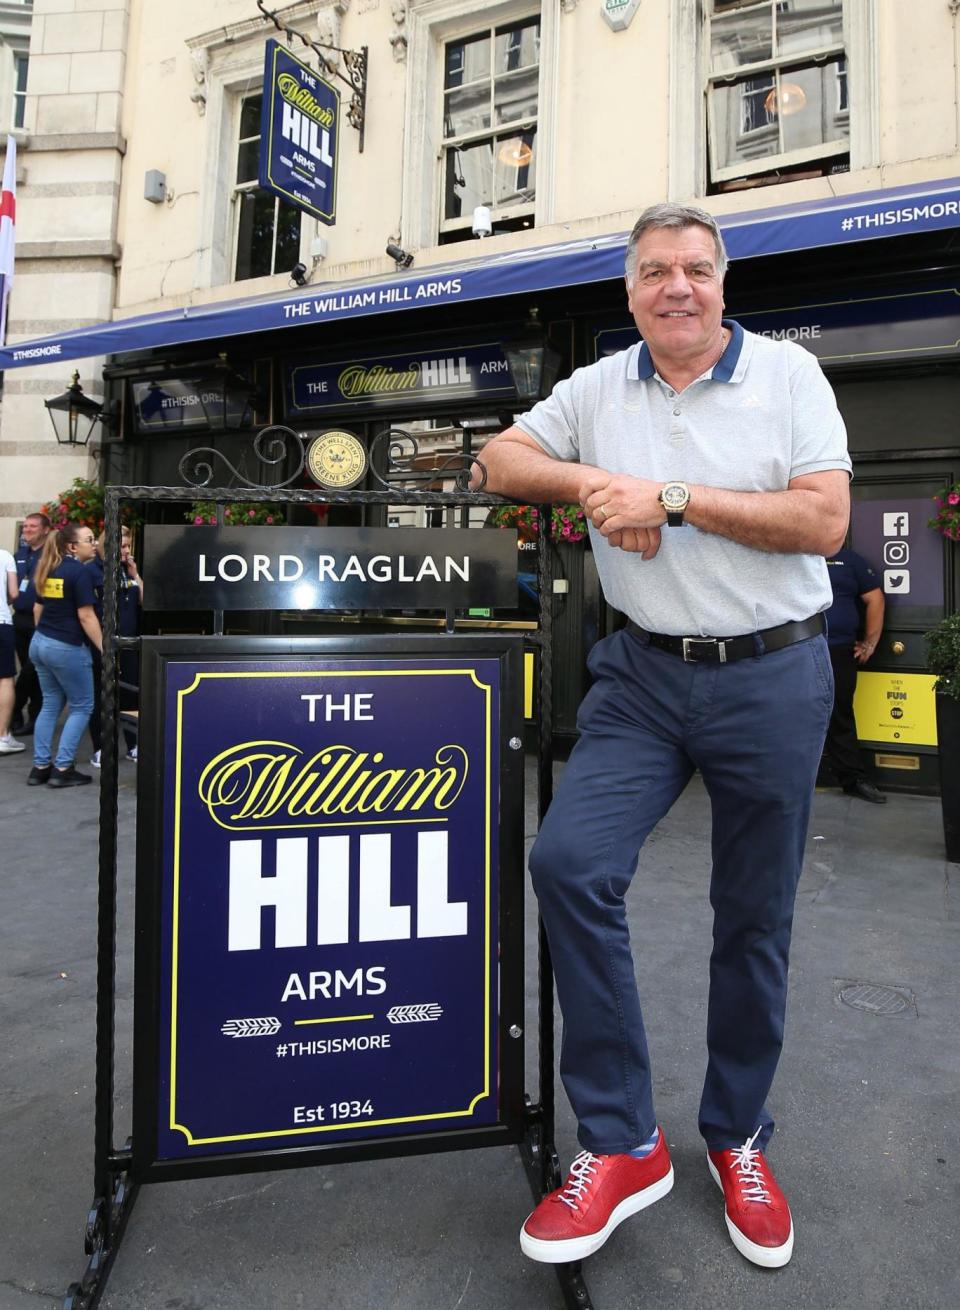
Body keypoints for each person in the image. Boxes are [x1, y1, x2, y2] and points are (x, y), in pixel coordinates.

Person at [476, 203, 850, 1270]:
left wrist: (672, 497)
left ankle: (736, 1134)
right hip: (643, 673)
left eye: (694, 268)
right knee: (570, 860)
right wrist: (600, 486)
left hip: (773, 672)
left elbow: (824, 520)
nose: (675, 286)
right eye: (653, 271)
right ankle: (626, 1139)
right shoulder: (600, 385)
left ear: (724, 280)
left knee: (754, 916)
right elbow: (499, 462)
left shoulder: (788, 376)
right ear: (630, 290)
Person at [27, 524, 103, 788]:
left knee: (50, 704)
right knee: (82, 706)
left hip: (41, 642)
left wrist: (46, 638)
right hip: (66, 646)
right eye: (89, 540)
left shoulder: (48, 567)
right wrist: (106, 649)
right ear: (72, 546)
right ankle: (62, 768)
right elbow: (86, 615)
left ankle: (40, 767)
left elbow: (38, 609)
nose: (94, 544)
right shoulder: (80, 572)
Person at [822, 549, 886, 803]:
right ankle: (776, 780)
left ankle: (853, 779)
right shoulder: (793, 553)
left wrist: (870, 642)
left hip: (838, 650)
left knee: (841, 716)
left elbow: (875, 599)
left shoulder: (850, 560)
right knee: (785, 715)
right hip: (795, 651)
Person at [88, 525, 142, 768]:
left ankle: (133, 744)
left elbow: (145, 601)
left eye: (128, 545)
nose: (126, 550)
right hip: (104, 643)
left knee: (131, 693)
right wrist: (102, 645)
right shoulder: (92, 571)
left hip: (129, 641)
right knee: (102, 695)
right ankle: (101, 748)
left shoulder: (127, 571)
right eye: (122, 546)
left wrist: (136, 575)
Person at [11, 511, 51, 733]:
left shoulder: (50, 555)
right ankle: (21, 715)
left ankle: (18, 709)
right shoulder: (19, 555)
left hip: (41, 619)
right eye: (25, 526)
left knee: (33, 669)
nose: (27, 530)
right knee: (28, 668)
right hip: (20, 620)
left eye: (32, 526)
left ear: (45, 530)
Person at [0, 543, 25, 754]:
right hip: (1, 621)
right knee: (5, 678)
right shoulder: (5, 556)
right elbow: (14, 593)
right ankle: (2, 736)